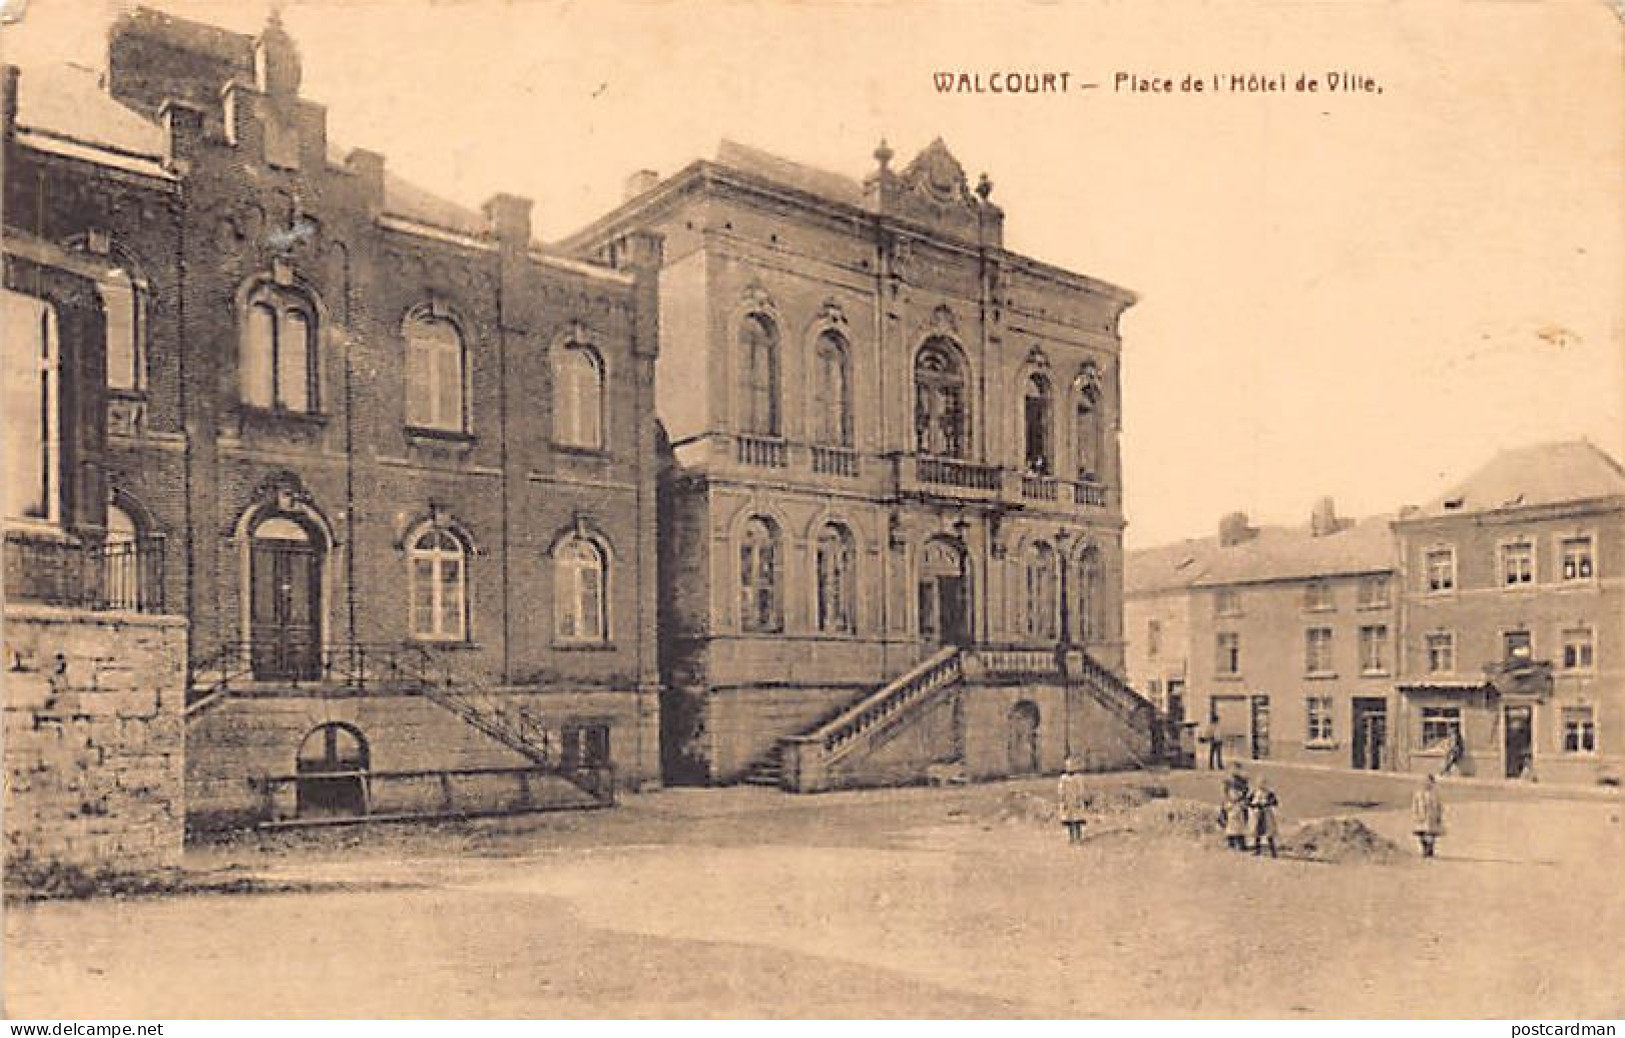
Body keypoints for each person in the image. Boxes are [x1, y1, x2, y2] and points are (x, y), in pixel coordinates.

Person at [1057, 757, 1090, 845]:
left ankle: (1079, 837)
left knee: (1077, 820)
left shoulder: (1078, 778)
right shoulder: (1063, 778)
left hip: (1076, 801)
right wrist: (1063, 801)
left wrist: (1081, 799)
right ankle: (1071, 838)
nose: (1070, 768)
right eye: (1068, 766)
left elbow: (1081, 790)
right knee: (1069, 820)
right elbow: (1061, 791)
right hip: (1068, 801)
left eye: (1071, 766)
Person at [1412, 773, 1445, 858]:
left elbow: (1439, 806)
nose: (1427, 784)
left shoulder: (1435, 794)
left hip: (1432, 817)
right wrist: (1416, 815)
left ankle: (1430, 850)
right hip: (1421, 817)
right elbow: (1415, 805)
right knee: (1422, 834)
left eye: (1429, 782)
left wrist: (1439, 816)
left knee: (1431, 834)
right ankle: (1424, 848)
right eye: (1426, 782)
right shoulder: (1418, 793)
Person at [1220, 765, 1250, 850]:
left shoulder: (1241, 793)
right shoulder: (1228, 793)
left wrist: (1243, 801)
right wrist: (1227, 803)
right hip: (1231, 808)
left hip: (1238, 810)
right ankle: (1231, 842)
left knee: (1240, 827)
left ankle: (1241, 843)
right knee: (1230, 827)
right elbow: (1226, 797)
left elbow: (1244, 796)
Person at [1248, 777, 1279, 858]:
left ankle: (1273, 852)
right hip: (1257, 814)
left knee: (1269, 833)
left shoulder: (1269, 793)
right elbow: (1248, 801)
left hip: (1266, 814)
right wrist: (1254, 805)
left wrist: (1267, 804)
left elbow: (1275, 802)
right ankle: (1257, 850)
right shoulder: (1255, 792)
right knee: (1257, 832)